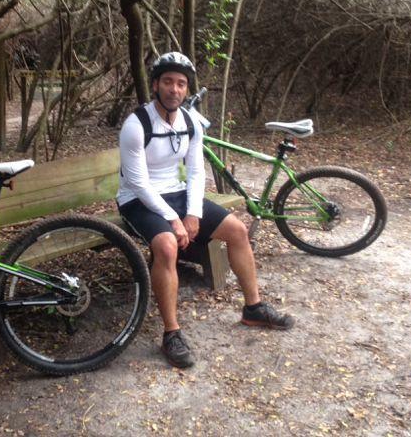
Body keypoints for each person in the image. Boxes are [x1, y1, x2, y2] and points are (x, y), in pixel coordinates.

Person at [117, 52, 294, 368]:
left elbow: (196, 172)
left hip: (177, 193)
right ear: (156, 85)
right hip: (138, 199)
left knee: (238, 231)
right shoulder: (136, 124)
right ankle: (172, 333)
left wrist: (193, 213)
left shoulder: (190, 122)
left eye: (181, 84)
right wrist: (174, 219)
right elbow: (138, 183)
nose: (175, 89)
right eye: (168, 82)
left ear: (186, 89)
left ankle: (253, 308)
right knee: (167, 246)